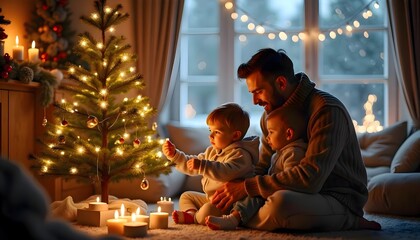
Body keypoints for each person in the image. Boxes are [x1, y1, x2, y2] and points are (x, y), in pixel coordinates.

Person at [210, 48, 381, 231]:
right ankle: (241, 218)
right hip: (292, 191)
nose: (254, 101)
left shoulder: (326, 110)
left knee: (280, 205)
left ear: (281, 83)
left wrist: (247, 187)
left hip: (335, 196)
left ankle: (349, 220)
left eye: (258, 91)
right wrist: (237, 190)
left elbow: (311, 178)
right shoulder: (269, 115)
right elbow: (262, 167)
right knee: (221, 206)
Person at [205, 105, 308, 230]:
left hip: (278, 191)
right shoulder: (280, 152)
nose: (267, 137)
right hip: (270, 188)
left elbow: (289, 180)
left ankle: (234, 218)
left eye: (271, 132)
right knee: (249, 195)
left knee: (254, 196)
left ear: (288, 134)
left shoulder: (293, 152)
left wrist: (259, 186)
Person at [162, 102, 260, 225]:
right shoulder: (212, 151)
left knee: (207, 211)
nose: (211, 136)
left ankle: (196, 218)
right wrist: (175, 155)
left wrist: (203, 165)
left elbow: (226, 171)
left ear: (235, 135)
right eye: (210, 130)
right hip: (211, 198)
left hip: (229, 203)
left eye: (217, 132)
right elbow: (192, 164)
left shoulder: (241, 154)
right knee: (186, 196)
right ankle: (192, 214)